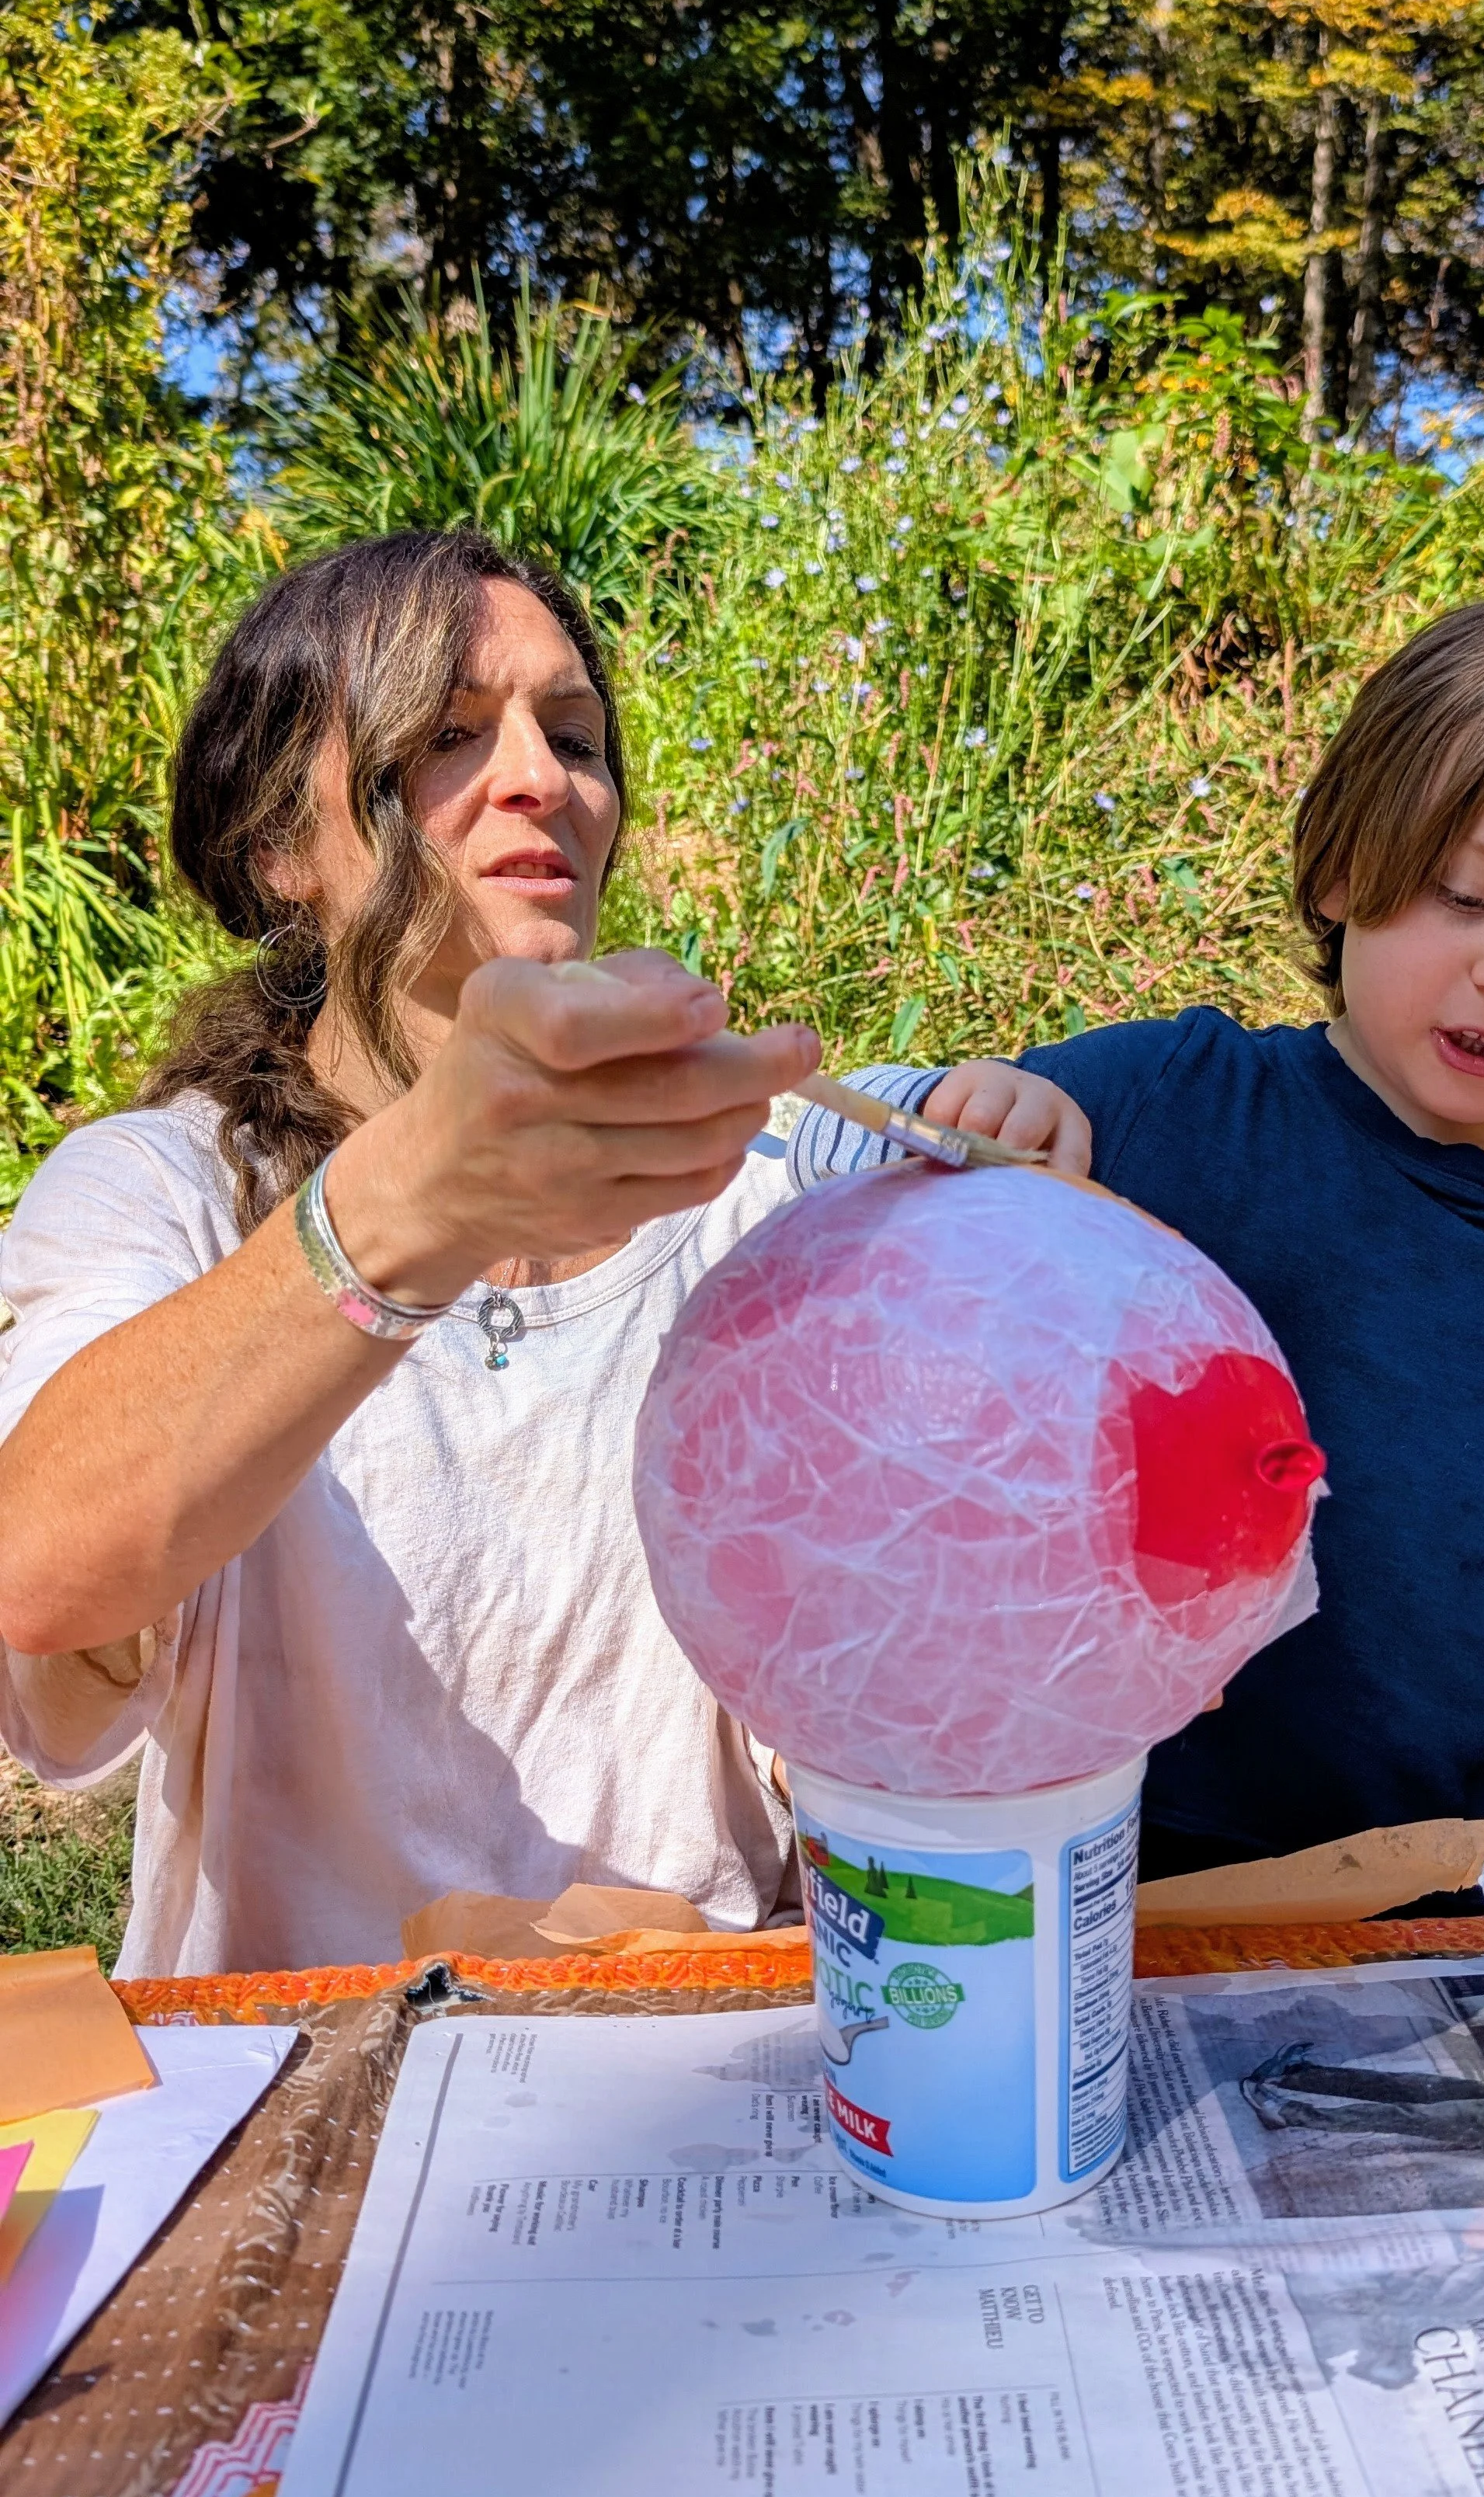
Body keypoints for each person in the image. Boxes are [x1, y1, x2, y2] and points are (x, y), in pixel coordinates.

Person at [0, 528, 1080, 1976]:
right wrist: (407, 1213)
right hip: (293, 2073)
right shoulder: (165, 1191)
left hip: (700, 2044)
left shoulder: (747, 1184)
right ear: (279, 848)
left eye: (572, 734)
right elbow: (43, 1570)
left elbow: (899, 1163)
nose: (541, 779)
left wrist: (998, 1169)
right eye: (448, 734)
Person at [893, 583, 1484, 1878]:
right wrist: (960, 1117)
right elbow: (863, 1174)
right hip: (1145, 1862)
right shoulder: (1161, 1101)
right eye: (1467, 896)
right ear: (1351, 862)